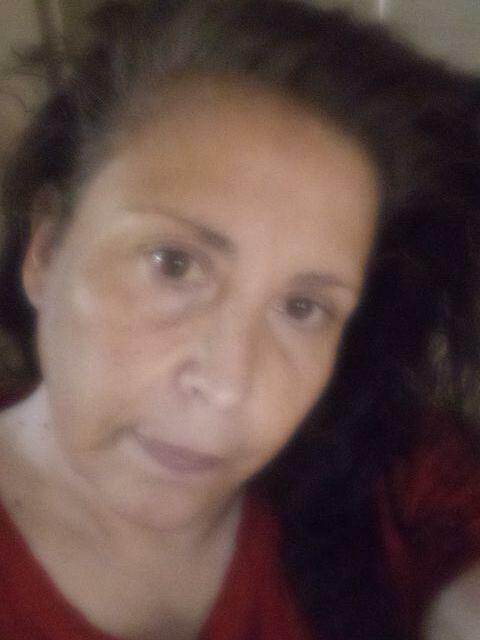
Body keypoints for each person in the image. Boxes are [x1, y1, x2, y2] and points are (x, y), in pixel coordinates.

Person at [0, 1, 479, 639]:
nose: (228, 384)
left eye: (303, 307)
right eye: (173, 264)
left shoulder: (392, 478)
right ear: (45, 250)